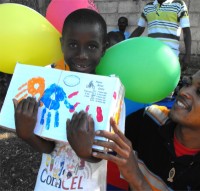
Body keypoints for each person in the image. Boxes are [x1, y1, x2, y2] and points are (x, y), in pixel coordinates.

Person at [13, 9, 109, 191]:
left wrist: (85, 152)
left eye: (91, 46)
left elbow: (108, 153)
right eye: (73, 44)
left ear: (103, 48)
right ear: (62, 44)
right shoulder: (52, 87)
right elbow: (49, 147)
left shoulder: (109, 93)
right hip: (47, 185)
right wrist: (27, 134)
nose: (82, 54)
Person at [89, 70, 200, 190]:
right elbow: (97, 149)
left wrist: (136, 178)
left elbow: (133, 175)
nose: (183, 92)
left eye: (199, 92)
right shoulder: (151, 118)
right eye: (187, 83)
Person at [130, 0, 191, 72]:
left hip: (170, 56)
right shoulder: (148, 7)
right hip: (151, 56)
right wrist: (124, 45)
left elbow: (186, 31)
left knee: (168, 82)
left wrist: (188, 55)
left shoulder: (179, 4)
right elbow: (139, 29)